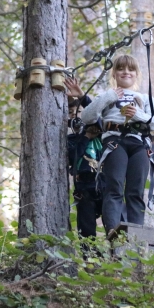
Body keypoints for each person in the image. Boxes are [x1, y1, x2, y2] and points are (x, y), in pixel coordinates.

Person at [80, 54, 154, 236]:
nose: (126, 72)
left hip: (139, 143)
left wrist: (137, 114)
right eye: (121, 69)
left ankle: (136, 234)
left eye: (131, 69)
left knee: (136, 190)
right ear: (114, 74)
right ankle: (112, 229)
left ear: (137, 74)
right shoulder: (108, 96)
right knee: (114, 186)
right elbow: (86, 117)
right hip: (115, 141)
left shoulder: (146, 99)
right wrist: (108, 97)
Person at [65, 77, 102, 238]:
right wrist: (85, 136)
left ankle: (118, 256)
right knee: (86, 229)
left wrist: (81, 97)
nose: (75, 116)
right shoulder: (71, 140)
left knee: (114, 224)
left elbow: (97, 115)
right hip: (84, 186)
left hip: (104, 183)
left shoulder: (101, 134)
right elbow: (74, 156)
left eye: (79, 112)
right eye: (71, 114)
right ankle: (90, 259)